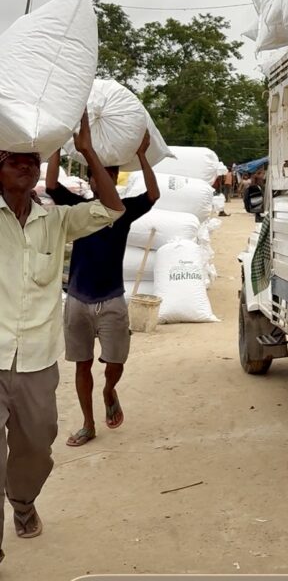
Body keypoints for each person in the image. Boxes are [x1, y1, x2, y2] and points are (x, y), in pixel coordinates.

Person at [0, 112, 124, 562]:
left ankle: (24, 502)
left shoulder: (55, 221)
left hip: (36, 361)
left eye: (34, 161)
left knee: (35, 448)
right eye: (18, 161)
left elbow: (112, 209)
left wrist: (86, 150)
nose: (30, 168)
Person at [45, 130, 160, 447]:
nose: (102, 179)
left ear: (115, 180)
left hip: (112, 300)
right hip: (78, 300)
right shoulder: (79, 207)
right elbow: (52, 184)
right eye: (98, 175)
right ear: (92, 181)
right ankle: (87, 424)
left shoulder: (122, 211)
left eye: (109, 174)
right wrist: (56, 145)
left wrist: (142, 155)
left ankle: (110, 390)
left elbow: (153, 194)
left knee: (115, 363)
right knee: (82, 364)